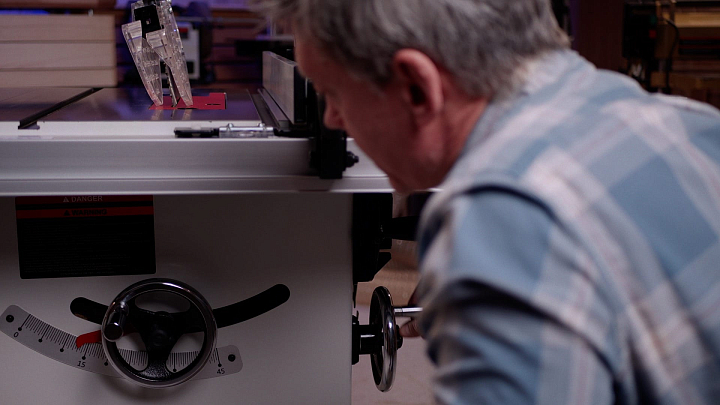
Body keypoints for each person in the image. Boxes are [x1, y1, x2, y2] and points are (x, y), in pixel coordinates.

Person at [251, 1, 720, 403]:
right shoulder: (687, 122)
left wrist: (485, 256)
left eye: (333, 94)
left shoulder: (504, 218)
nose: (333, 119)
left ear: (416, 86)